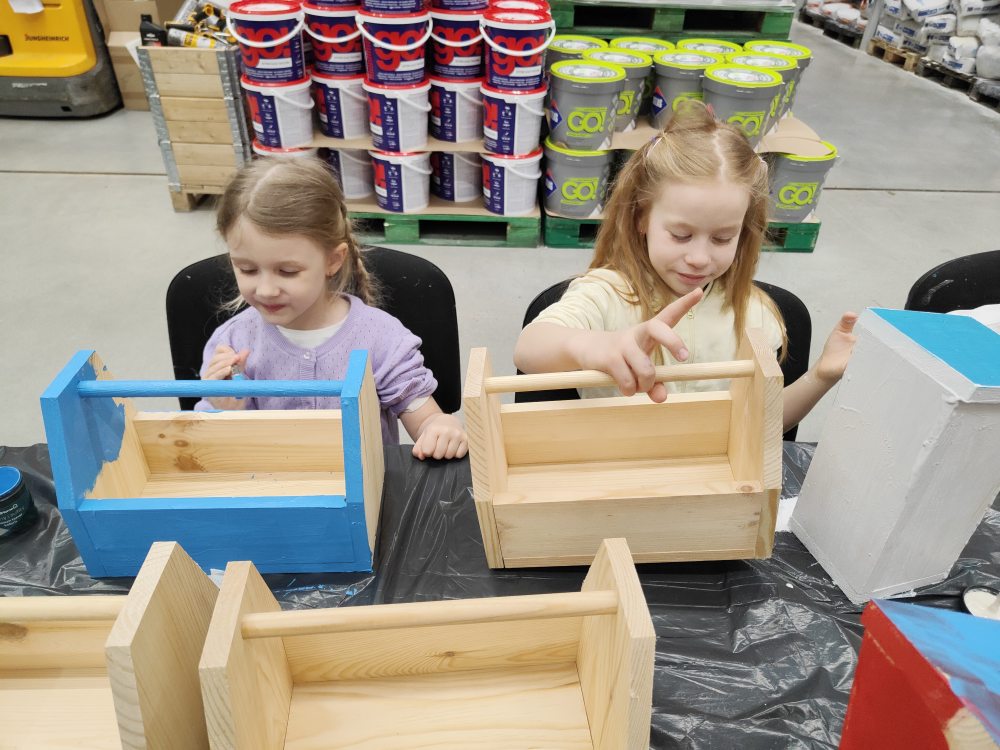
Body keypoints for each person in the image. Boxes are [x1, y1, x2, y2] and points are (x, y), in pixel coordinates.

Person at [514, 102, 857, 433]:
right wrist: (596, 347)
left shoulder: (754, 313)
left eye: (722, 238)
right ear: (641, 218)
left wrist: (821, 376)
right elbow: (529, 348)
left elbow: (759, 427)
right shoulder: (605, 294)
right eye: (681, 235)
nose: (699, 257)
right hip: (611, 467)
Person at [195, 158, 467, 460]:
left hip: (365, 485)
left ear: (333, 260)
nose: (266, 289)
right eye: (247, 269)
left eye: (287, 271)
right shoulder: (232, 343)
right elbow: (209, 447)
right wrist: (223, 409)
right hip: (273, 482)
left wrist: (440, 427)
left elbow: (426, 419)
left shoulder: (381, 338)